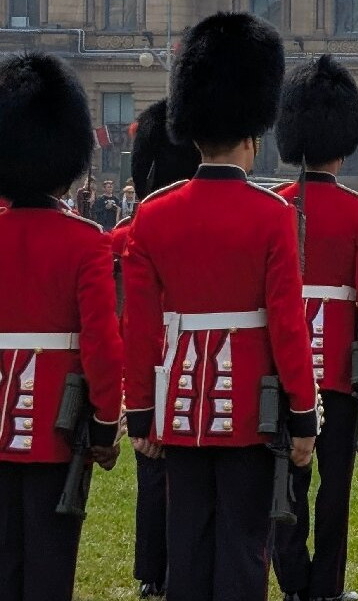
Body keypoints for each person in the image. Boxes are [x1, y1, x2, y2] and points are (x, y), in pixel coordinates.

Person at [123, 13, 319, 601]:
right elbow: (287, 324)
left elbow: (140, 326)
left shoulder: (153, 215)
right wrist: (305, 415)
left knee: (188, 547)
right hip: (250, 412)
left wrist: (141, 412)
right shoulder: (273, 215)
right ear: (253, 137)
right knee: (242, 549)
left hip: (179, 407)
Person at [0, 51, 124, 601]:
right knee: (51, 566)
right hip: (56, 424)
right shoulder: (84, 243)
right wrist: (103, 424)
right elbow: (101, 343)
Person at [271, 55, 358, 601]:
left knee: (286, 482)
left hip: (284, 366)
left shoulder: (275, 207)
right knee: (333, 486)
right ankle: (326, 586)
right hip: (342, 368)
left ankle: (293, 580)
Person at [109, 99, 200, 598]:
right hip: (184, 358)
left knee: (153, 472)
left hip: (150, 357)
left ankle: (153, 569)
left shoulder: (124, 235)